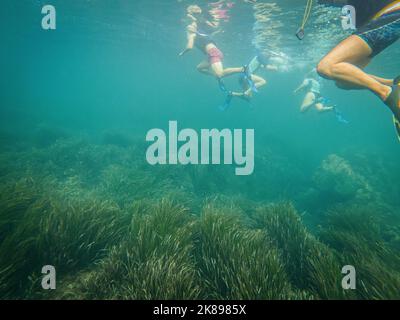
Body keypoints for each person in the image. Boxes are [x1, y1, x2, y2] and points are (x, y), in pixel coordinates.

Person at [316, 0, 400, 139]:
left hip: (388, 14)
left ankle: (388, 94)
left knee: (326, 66)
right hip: (378, 22)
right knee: (343, 82)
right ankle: (392, 83)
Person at [179, 5, 245, 92]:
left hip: (213, 53)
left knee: (220, 74)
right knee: (200, 68)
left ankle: (243, 69)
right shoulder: (198, 27)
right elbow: (196, 22)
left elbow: (189, 47)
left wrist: (182, 53)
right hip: (212, 53)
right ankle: (216, 74)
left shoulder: (190, 30)